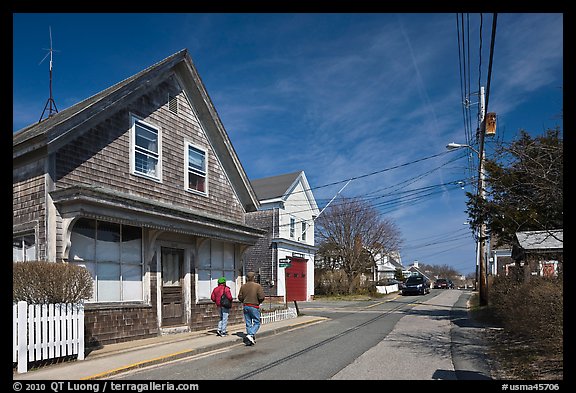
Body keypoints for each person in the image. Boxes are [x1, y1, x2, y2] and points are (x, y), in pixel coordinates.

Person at [237, 271, 265, 345]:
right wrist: (259, 301)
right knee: (257, 322)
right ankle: (250, 334)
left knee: (248, 322)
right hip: (254, 306)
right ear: (254, 278)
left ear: (247, 278)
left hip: (246, 305)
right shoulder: (257, 286)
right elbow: (261, 297)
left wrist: (243, 300)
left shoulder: (243, 286)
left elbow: (240, 297)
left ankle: (250, 338)